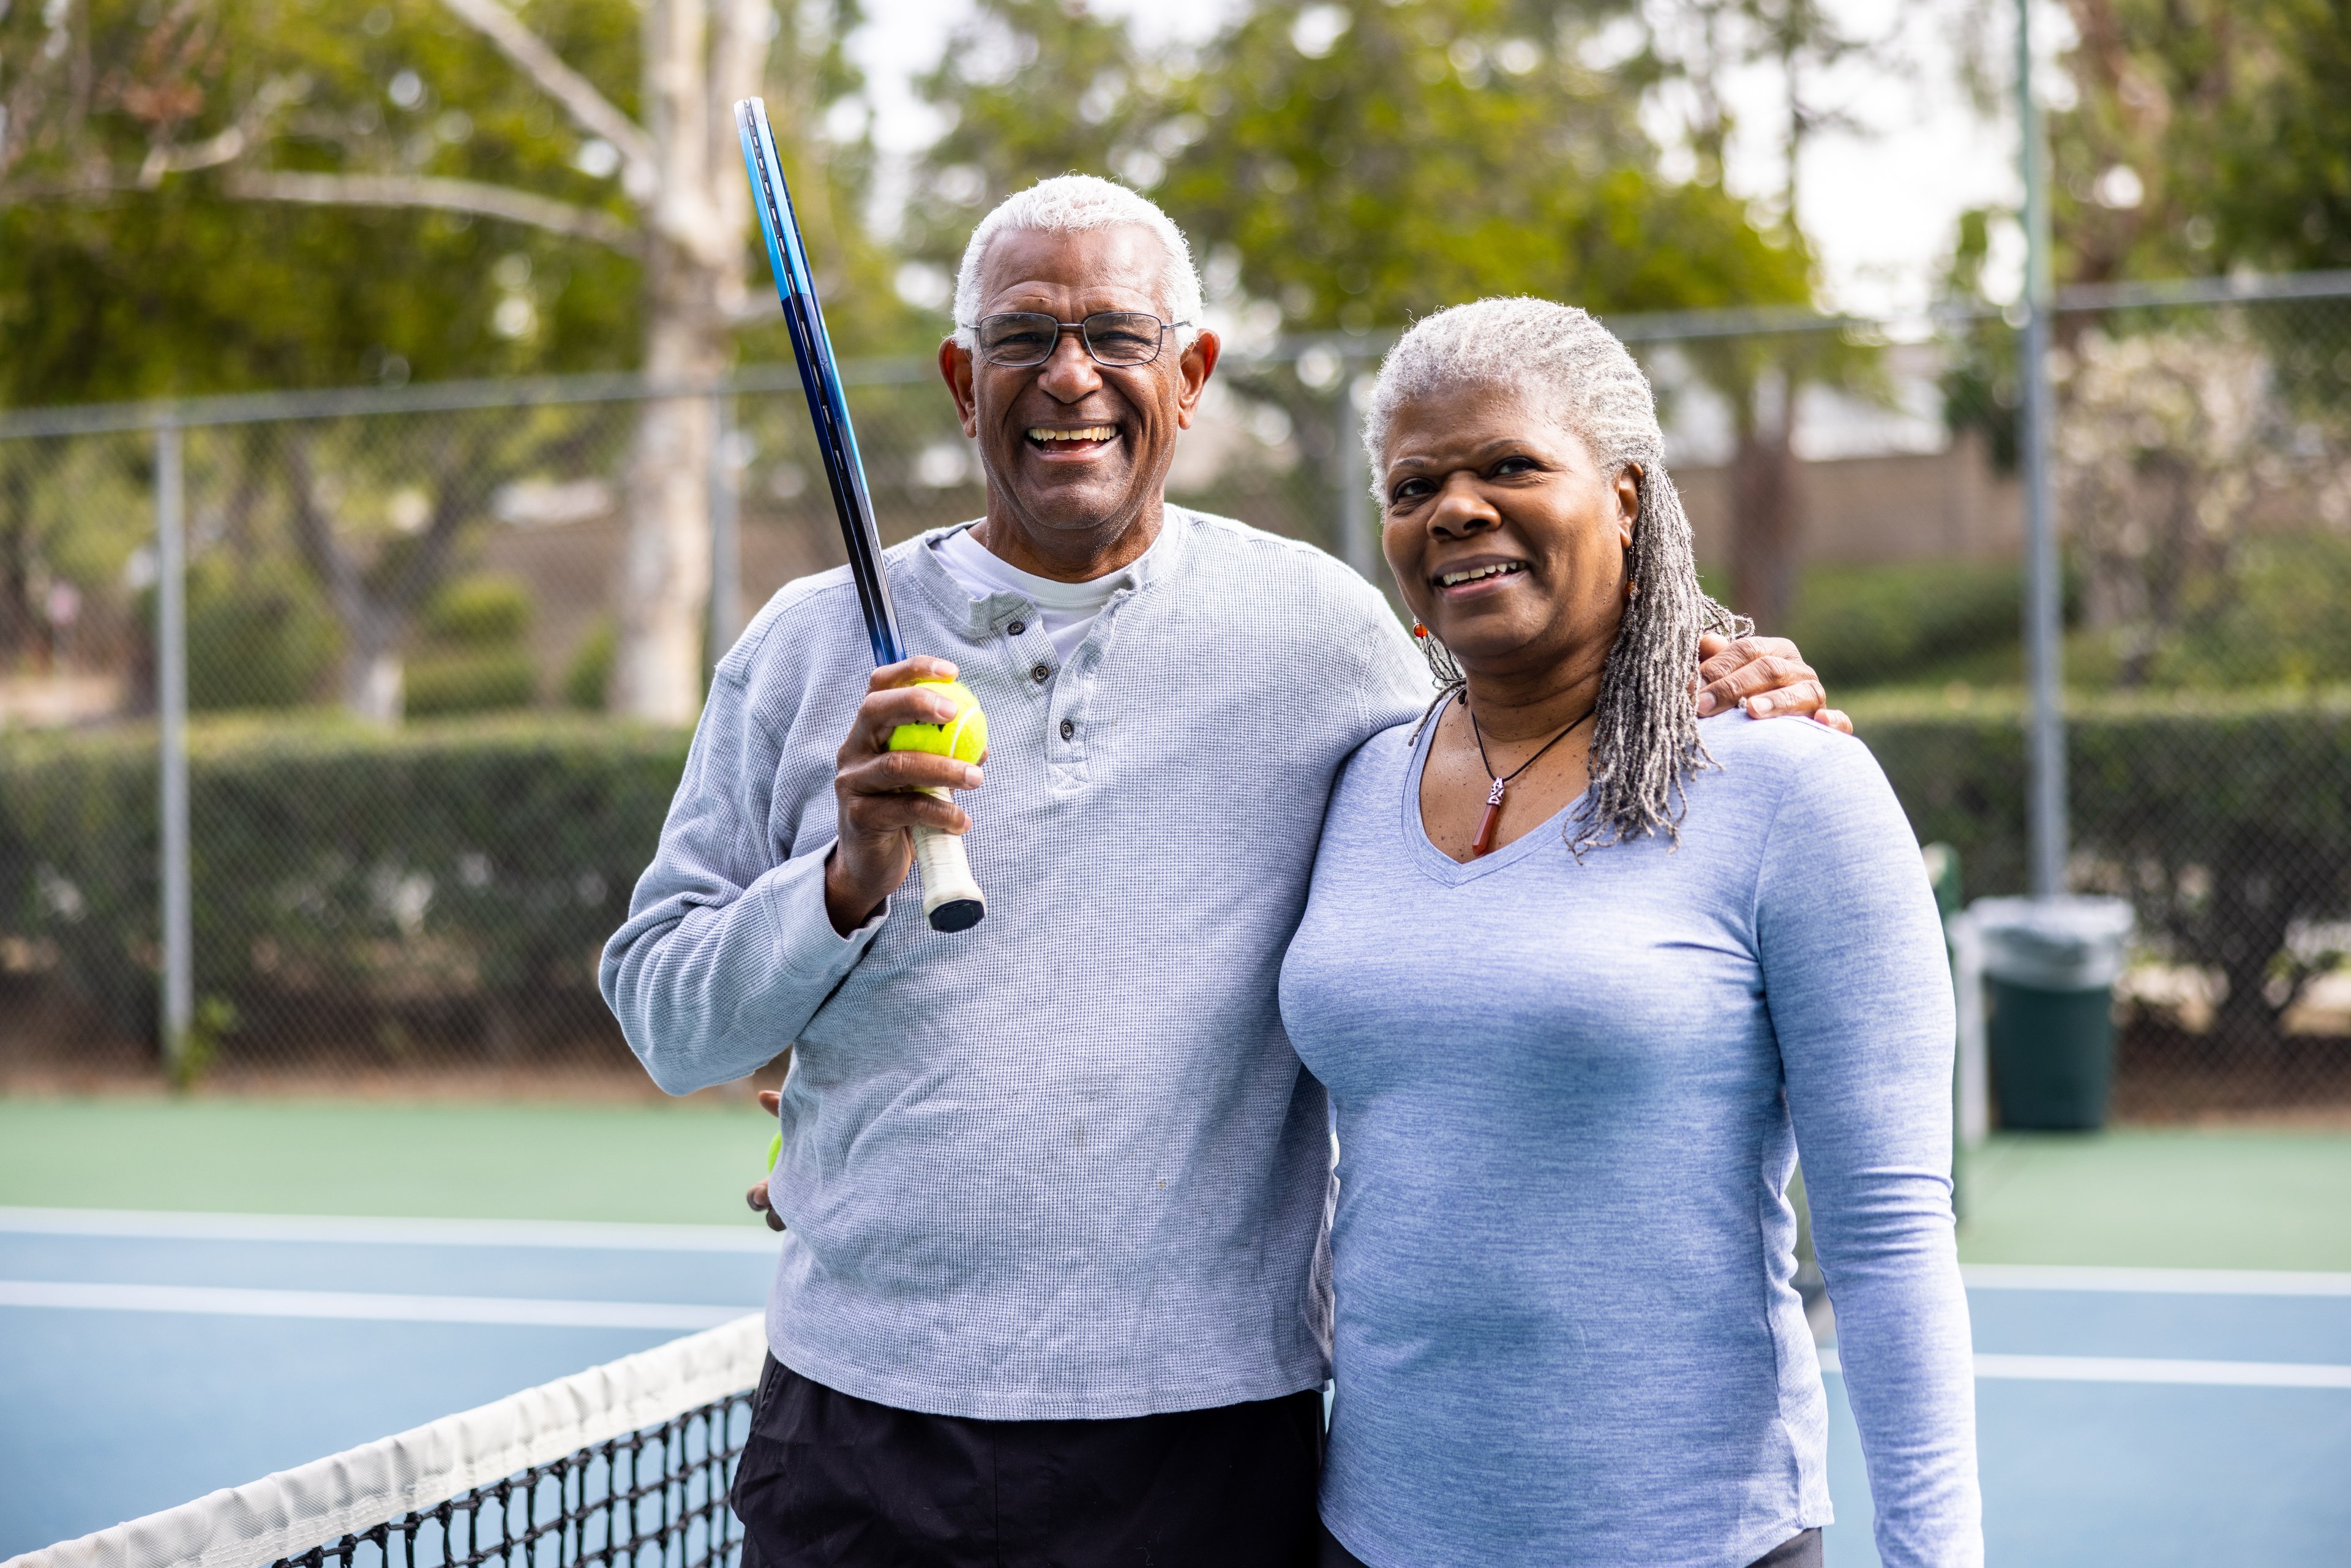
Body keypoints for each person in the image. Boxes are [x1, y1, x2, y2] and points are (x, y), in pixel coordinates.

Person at [605, 177, 1843, 1566]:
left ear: (1189, 376)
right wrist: (840, 881)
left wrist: (1705, 666)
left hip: (1213, 1442)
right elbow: (668, 1021)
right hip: (861, 1428)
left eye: (1117, 336)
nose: (1069, 375)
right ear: (965, 383)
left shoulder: (1323, 634)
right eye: (1022, 339)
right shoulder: (797, 646)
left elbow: (1513, 740)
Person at [1278, 298, 1980, 1568]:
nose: (1455, 509)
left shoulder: (1784, 785)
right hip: (1371, 1535)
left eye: (1510, 466)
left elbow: (1886, 1236)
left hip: (1693, 1542)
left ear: (1627, 499)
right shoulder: (1351, 780)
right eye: (1414, 482)